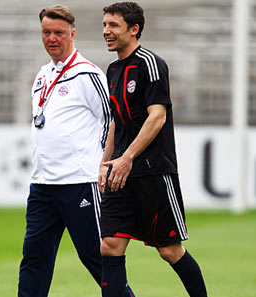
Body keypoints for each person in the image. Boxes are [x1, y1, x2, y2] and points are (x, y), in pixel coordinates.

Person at [18, 5, 135, 297]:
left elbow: (113, 120)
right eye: (46, 32)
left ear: (72, 34)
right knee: (34, 257)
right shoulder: (42, 76)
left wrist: (105, 164)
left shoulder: (87, 74)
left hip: (80, 183)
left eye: (58, 32)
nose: (52, 38)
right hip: (43, 185)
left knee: (96, 256)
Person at [99, 2, 208, 297]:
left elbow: (157, 116)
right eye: (105, 24)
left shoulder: (150, 63)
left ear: (134, 30)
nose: (106, 31)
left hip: (152, 171)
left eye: (113, 26)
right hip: (119, 172)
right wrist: (105, 162)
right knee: (110, 245)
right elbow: (115, 123)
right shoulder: (112, 70)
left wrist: (128, 158)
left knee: (170, 251)